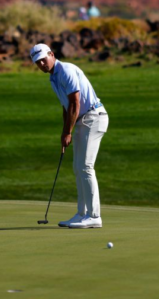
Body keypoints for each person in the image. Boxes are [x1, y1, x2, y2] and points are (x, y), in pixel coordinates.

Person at [30, 43, 109, 228]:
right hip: (83, 119)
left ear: (51, 54)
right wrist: (64, 132)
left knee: (86, 167)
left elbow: (75, 103)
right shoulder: (53, 78)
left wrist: (68, 131)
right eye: (37, 62)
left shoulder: (65, 70)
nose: (41, 64)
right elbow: (66, 107)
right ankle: (82, 214)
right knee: (77, 167)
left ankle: (94, 216)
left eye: (43, 59)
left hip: (93, 117)